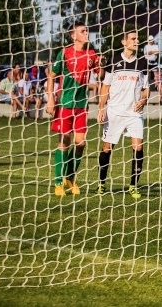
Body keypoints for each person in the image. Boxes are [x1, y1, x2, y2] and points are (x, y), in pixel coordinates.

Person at [45, 23, 102, 197]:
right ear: (73, 35)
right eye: (83, 31)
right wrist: (50, 98)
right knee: (64, 142)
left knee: (81, 143)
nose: (87, 34)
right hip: (64, 104)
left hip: (81, 106)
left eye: (87, 31)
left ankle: (70, 178)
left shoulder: (91, 54)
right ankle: (58, 183)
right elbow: (51, 76)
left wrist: (103, 66)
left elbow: (101, 74)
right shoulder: (64, 53)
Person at [96, 29, 152, 200]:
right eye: (133, 39)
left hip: (134, 113)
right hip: (114, 112)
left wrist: (144, 100)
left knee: (138, 147)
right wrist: (101, 108)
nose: (136, 41)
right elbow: (105, 87)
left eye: (137, 39)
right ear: (123, 42)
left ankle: (133, 186)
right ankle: (101, 183)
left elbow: (146, 88)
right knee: (107, 148)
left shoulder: (143, 63)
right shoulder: (113, 61)